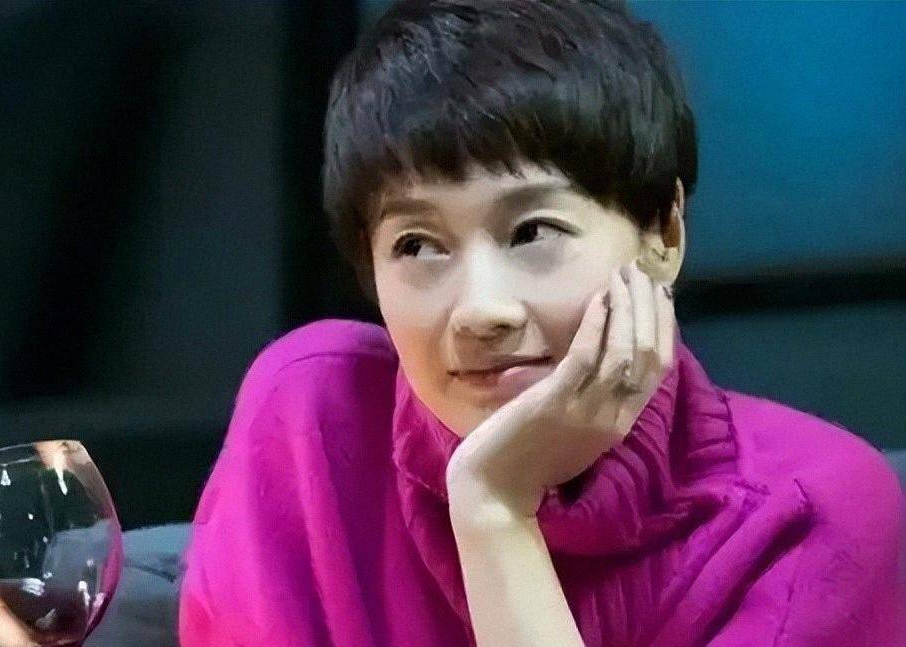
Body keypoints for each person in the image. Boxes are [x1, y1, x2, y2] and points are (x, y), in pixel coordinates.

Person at [178, 1, 905, 645]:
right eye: (418, 246)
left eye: (533, 232)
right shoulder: (314, 419)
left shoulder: (809, 516)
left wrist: (495, 512)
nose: (481, 310)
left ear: (663, 234)